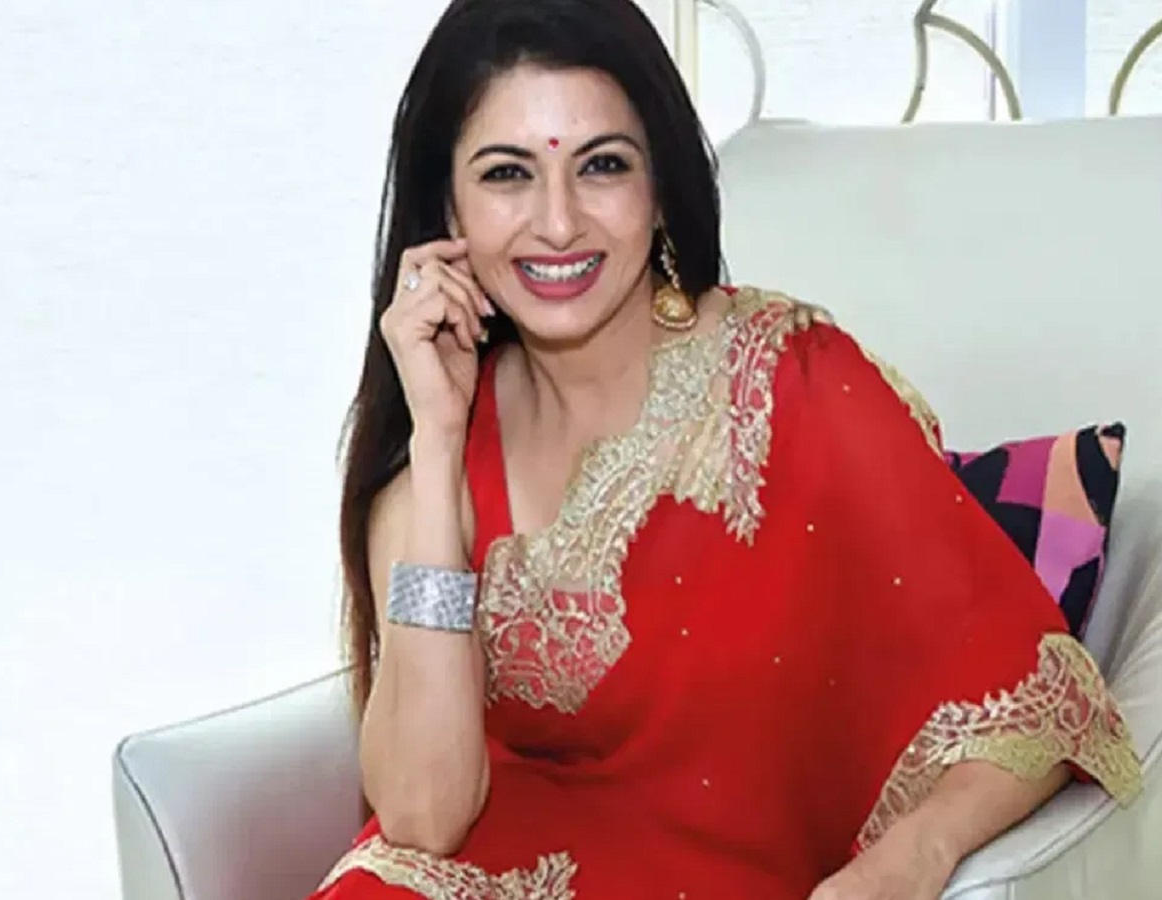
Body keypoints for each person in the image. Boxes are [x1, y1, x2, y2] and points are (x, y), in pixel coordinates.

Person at [312, 1, 1143, 897]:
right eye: (507, 174)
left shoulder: (789, 380)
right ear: (449, 209)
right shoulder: (435, 459)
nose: (557, 223)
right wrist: (438, 443)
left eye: (602, 165)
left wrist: (915, 855)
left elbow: (1032, 700)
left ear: (660, 186)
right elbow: (425, 816)